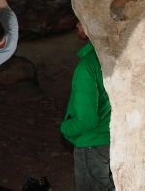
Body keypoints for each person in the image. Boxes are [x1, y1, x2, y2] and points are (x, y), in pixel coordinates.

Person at [61, 21, 115, 191]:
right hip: (113, 138)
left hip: (92, 143)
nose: (76, 25)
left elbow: (86, 120)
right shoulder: (112, 56)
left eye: (80, 21)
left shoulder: (87, 67)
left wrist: (66, 129)